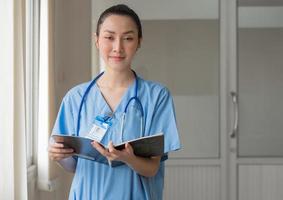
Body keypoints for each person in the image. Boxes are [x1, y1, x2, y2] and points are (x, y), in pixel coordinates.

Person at [48, 4, 180, 200]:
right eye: (109, 37)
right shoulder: (75, 98)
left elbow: (152, 168)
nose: (118, 47)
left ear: (139, 42)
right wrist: (59, 156)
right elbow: (75, 166)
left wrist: (128, 159)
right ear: (97, 40)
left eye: (128, 38)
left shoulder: (157, 97)